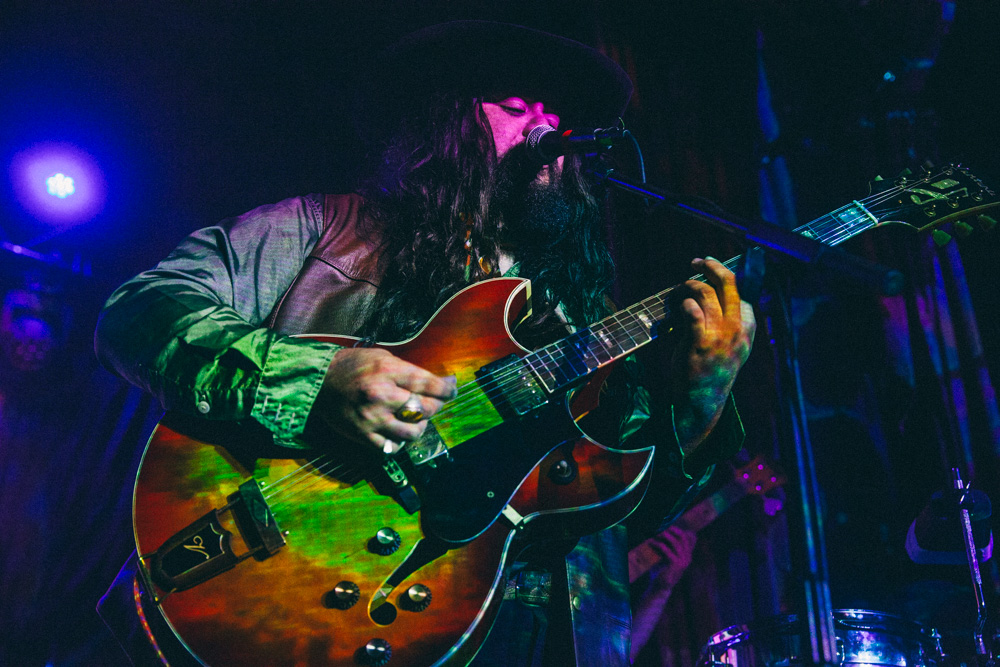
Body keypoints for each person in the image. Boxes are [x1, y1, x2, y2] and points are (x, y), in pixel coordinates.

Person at [95, 20, 755, 667]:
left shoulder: (582, 320)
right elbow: (140, 313)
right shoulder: (324, 232)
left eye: (557, 114)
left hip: (536, 634)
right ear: (444, 123)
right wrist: (316, 380)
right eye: (517, 104)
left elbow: (615, 522)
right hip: (302, 596)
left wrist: (699, 402)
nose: (548, 126)